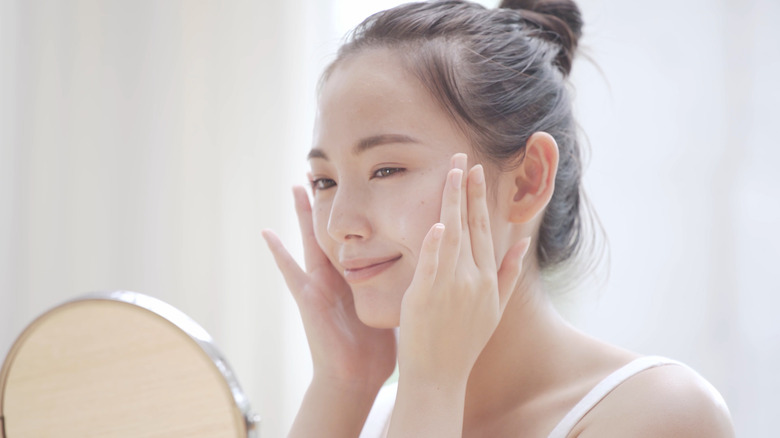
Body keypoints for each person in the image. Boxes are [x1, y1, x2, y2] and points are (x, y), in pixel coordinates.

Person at [262, 0, 735, 436]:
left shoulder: (657, 412)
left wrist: (431, 388)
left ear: (528, 180)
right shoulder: (371, 416)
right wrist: (343, 384)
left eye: (387, 169)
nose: (340, 223)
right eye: (324, 181)